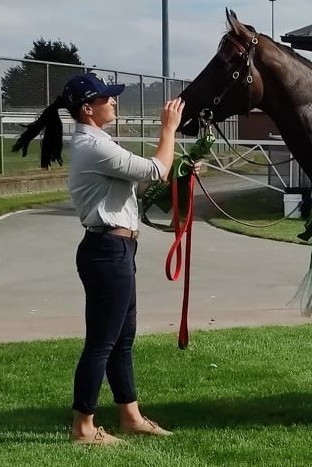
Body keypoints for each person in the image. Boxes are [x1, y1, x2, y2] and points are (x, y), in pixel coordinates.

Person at [12, 72, 190, 445]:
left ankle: (131, 417)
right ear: (88, 108)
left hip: (117, 249)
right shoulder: (94, 147)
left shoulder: (98, 141)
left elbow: (148, 179)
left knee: (121, 340)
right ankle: (83, 428)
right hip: (107, 252)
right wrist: (169, 129)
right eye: (107, 97)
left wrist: (184, 172)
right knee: (101, 343)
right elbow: (156, 168)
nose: (114, 102)